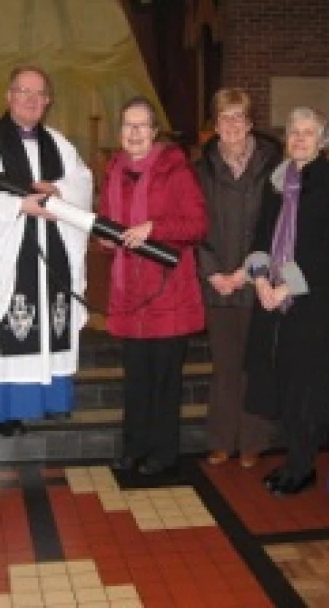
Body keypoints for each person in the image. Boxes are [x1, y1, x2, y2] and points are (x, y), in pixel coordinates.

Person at [0, 65, 92, 435]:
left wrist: (60, 192)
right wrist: (17, 206)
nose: (31, 100)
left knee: (52, 324)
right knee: (11, 325)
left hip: (52, 251)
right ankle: (4, 410)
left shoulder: (59, 142)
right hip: (6, 254)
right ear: (8, 96)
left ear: (48, 101)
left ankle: (51, 400)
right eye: (23, 91)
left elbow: (82, 181)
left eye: (39, 94)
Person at [243, 107, 329, 495]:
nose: (300, 139)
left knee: (306, 386)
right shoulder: (277, 182)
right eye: (294, 132)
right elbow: (259, 238)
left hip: (311, 303)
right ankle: (292, 457)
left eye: (309, 133)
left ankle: (302, 466)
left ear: (323, 139)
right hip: (272, 300)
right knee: (284, 381)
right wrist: (259, 280)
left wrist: (284, 288)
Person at [102, 96, 208, 476]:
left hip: (168, 290)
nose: (134, 132)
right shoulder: (113, 171)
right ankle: (134, 447)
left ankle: (163, 452)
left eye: (142, 125)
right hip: (129, 291)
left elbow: (197, 225)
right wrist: (105, 234)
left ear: (154, 132)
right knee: (136, 380)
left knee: (164, 379)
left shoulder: (175, 170)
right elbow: (108, 220)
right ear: (120, 131)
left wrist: (154, 229)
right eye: (128, 125)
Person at [196, 88, 282, 469]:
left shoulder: (274, 167)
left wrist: (246, 272)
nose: (231, 125)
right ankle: (221, 440)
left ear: (250, 123)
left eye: (238, 117)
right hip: (217, 282)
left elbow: (277, 226)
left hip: (259, 279)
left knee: (254, 364)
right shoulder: (201, 168)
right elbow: (196, 225)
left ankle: (253, 440)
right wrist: (213, 271)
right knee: (224, 366)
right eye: (223, 118)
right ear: (215, 125)